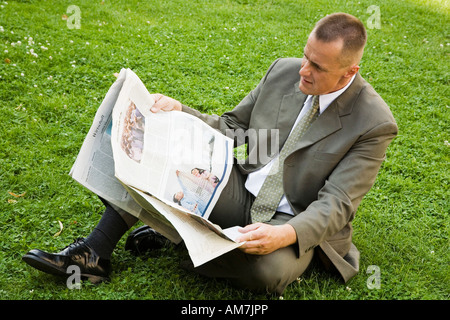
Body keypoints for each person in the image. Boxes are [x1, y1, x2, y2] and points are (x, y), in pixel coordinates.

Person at [22, 13, 398, 296]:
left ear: (350, 72)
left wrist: (284, 234)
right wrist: (180, 111)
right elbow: (233, 126)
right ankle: (94, 253)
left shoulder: (373, 123)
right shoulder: (283, 72)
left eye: (317, 67)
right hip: (244, 189)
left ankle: (174, 233)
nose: (303, 70)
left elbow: (336, 204)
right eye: (305, 56)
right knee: (157, 156)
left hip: (293, 218)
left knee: (264, 274)